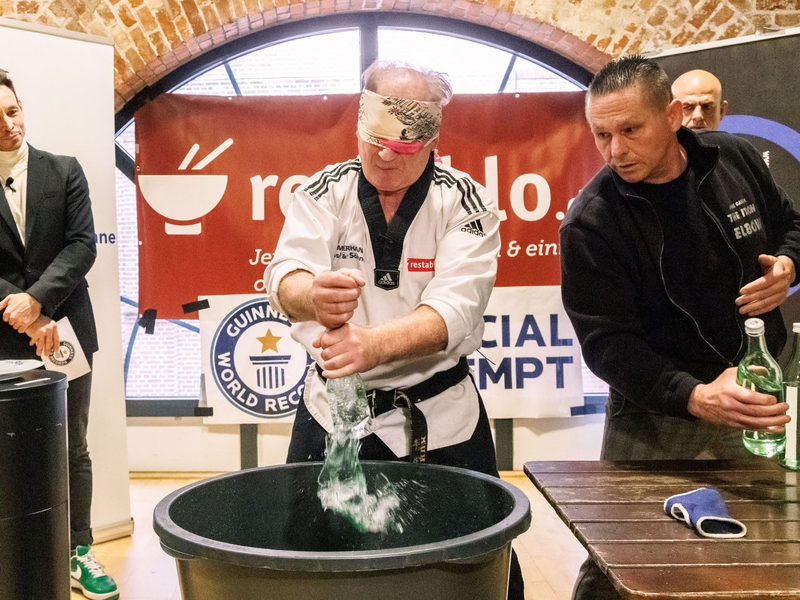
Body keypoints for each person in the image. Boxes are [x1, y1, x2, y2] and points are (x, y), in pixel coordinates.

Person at [265, 60, 523, 599]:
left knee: (471, 568)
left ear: (431, 140)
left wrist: (370, 345)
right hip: (332, 413)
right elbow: (284, 275)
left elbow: (457, 310)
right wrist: (309, 293)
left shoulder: (464, 202)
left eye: (402, 148)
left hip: (439, 418)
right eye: (373, 140)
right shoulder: (322, 191)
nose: (384, 156)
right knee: (311, 567)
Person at [560, 55, 799, 599]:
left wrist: (788, 265)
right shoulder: (591, 221)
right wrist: (692, 395)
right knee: (623, 558)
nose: (615, 150)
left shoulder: (736, 157)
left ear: (671, 115)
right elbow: (607, 345)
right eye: (601, 135)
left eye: (629, 130)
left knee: (767, 540)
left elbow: (792, 224)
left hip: (762, 390)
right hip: (656, 412)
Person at [0, 70, 118, 600]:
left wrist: (38, 301)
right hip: (3, 337)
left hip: (69, 329)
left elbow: (81, 246)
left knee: (73, 447)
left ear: (22, 107)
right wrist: (21, 312)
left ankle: (79, 550)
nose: (8, 126)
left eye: (12, 111)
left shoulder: (65, 170)